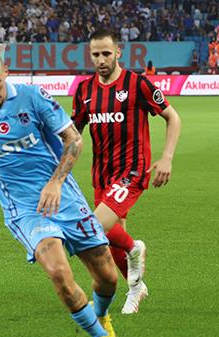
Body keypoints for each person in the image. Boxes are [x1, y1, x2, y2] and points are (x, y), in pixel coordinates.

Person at [0, 44, 121, 337]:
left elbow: (74, 139)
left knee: (108, 278)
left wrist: (56, 182)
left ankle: (101, 314)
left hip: (65, 198)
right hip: (24, 210)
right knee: (59, 273)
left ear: (6, 75)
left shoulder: (34, 97)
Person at [71, 30, 182, 315]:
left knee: (95, 228)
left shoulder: (137, 84)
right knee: (109, 237)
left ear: (118, 51)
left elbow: (173, 117)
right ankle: (136, 288)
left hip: (132, 171)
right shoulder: (84, 90)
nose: (101, 60)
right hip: (102, 173)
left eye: (106, 53)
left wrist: (167, 157)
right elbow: (74, 131)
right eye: (95, 54)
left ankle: (135, 249)